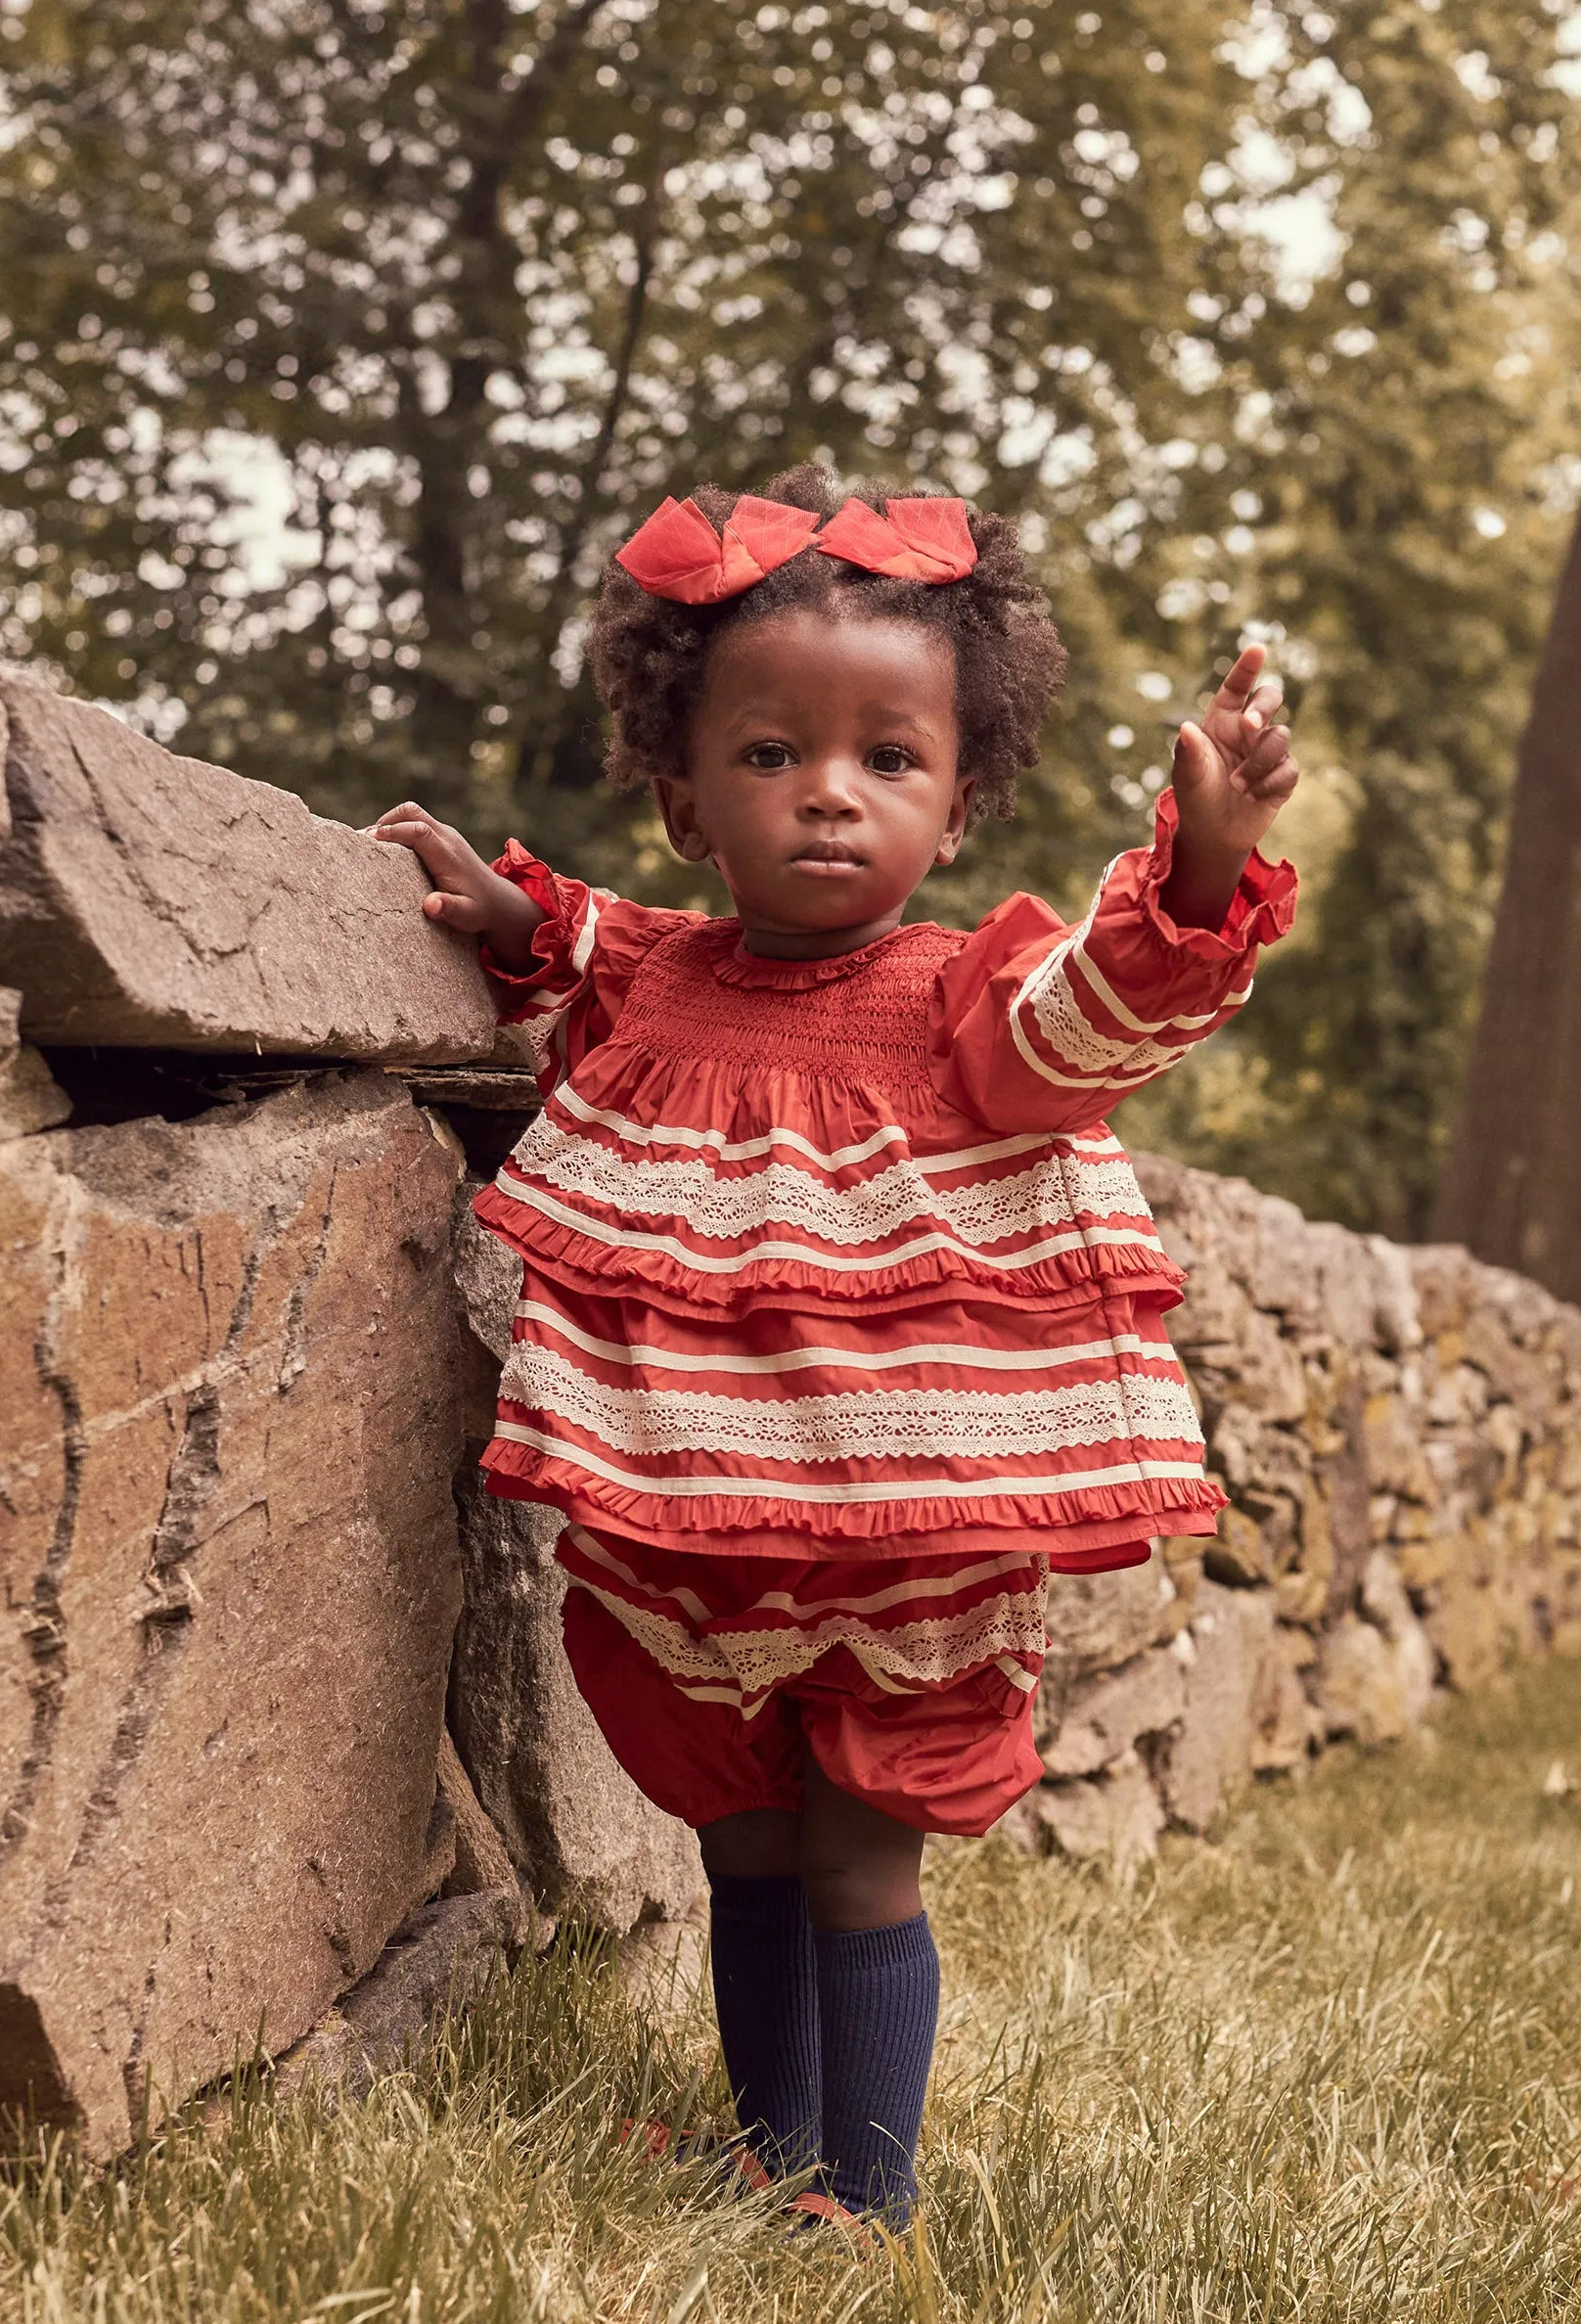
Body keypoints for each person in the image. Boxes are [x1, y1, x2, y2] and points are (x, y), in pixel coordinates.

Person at [372, 465, 1297, 2232]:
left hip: (914, 1521)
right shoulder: (658, 973)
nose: (827, 797)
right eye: (771, 753)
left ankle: (868, 2192)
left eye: (889, 758)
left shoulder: (973, 1002)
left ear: (955, 813)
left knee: (869, 1842)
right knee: (744, 1831)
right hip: (698, 1507)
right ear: (683, 797)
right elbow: (593, 946)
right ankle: (766, 2138)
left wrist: (1200, 857)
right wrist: (515, 923)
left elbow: (1099, 1016)